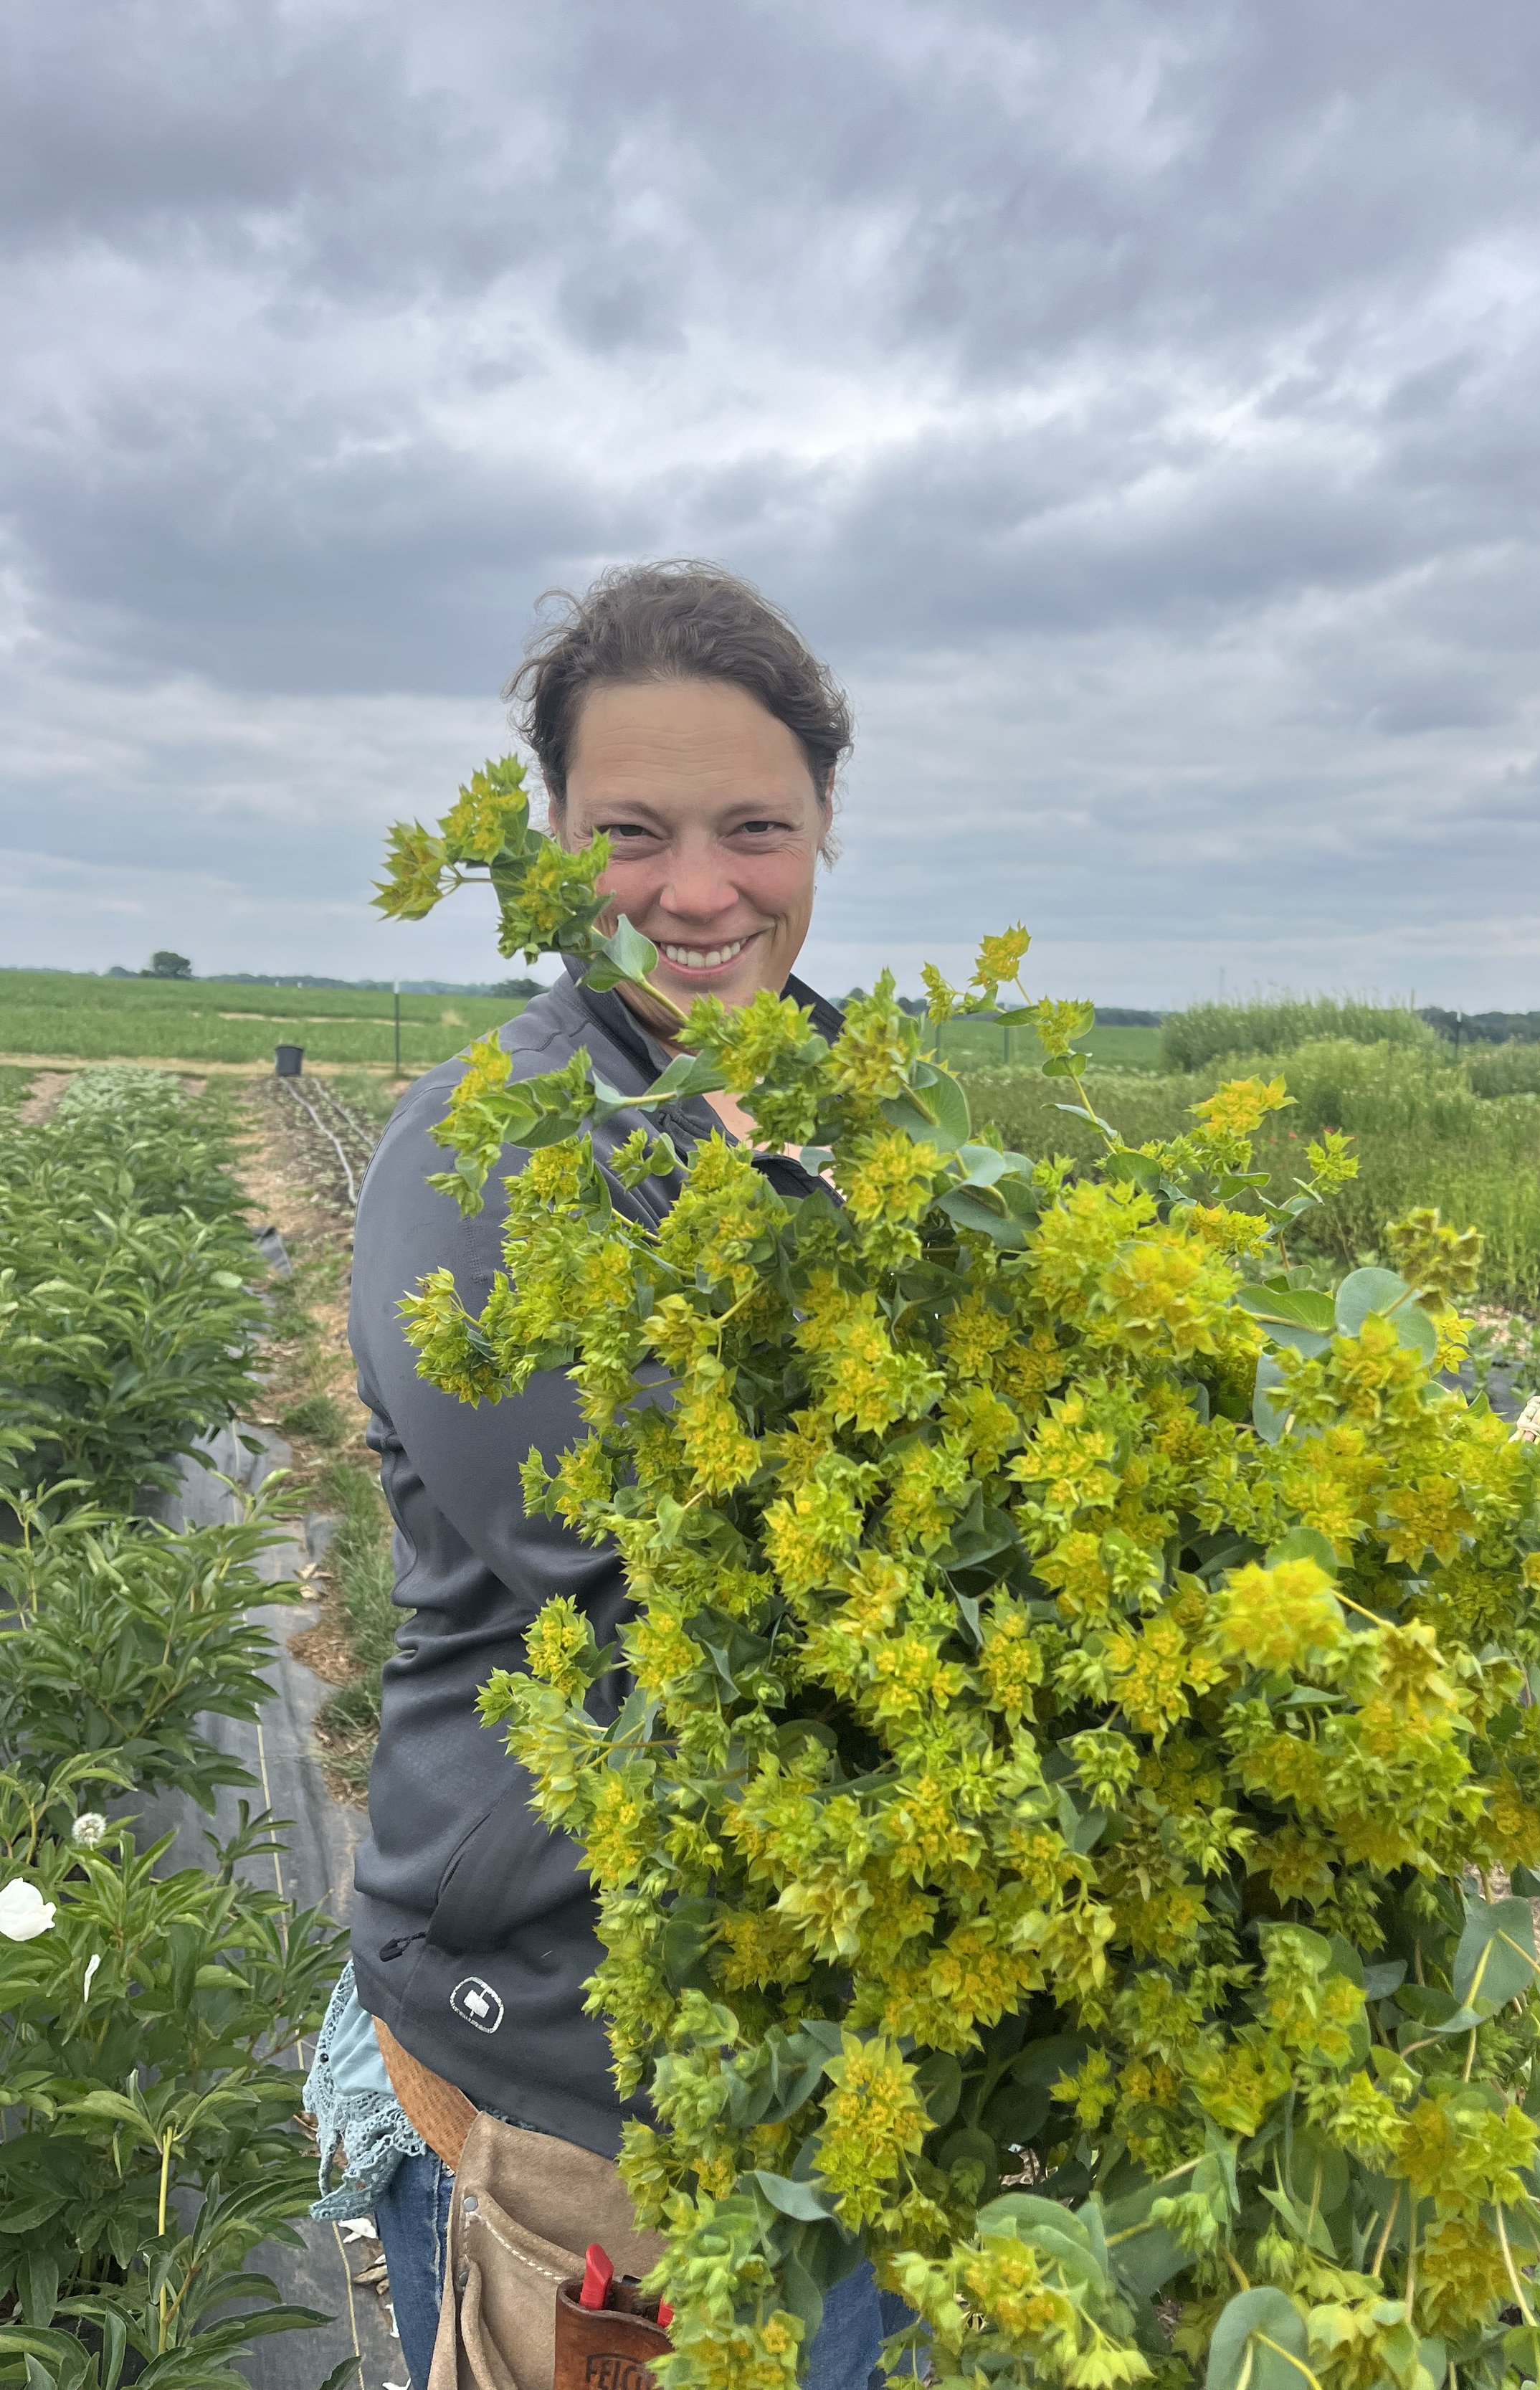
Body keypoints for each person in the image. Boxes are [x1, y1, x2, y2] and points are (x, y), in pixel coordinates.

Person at [307, 562, 905, 2387]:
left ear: (819, 837)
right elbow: (639, 1553)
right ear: (554, 850)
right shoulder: (487, 1148)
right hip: (583, 2060)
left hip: (830, 2028)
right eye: (632, 832)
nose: (700, 890)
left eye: (755, 828)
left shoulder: (837, 1103)